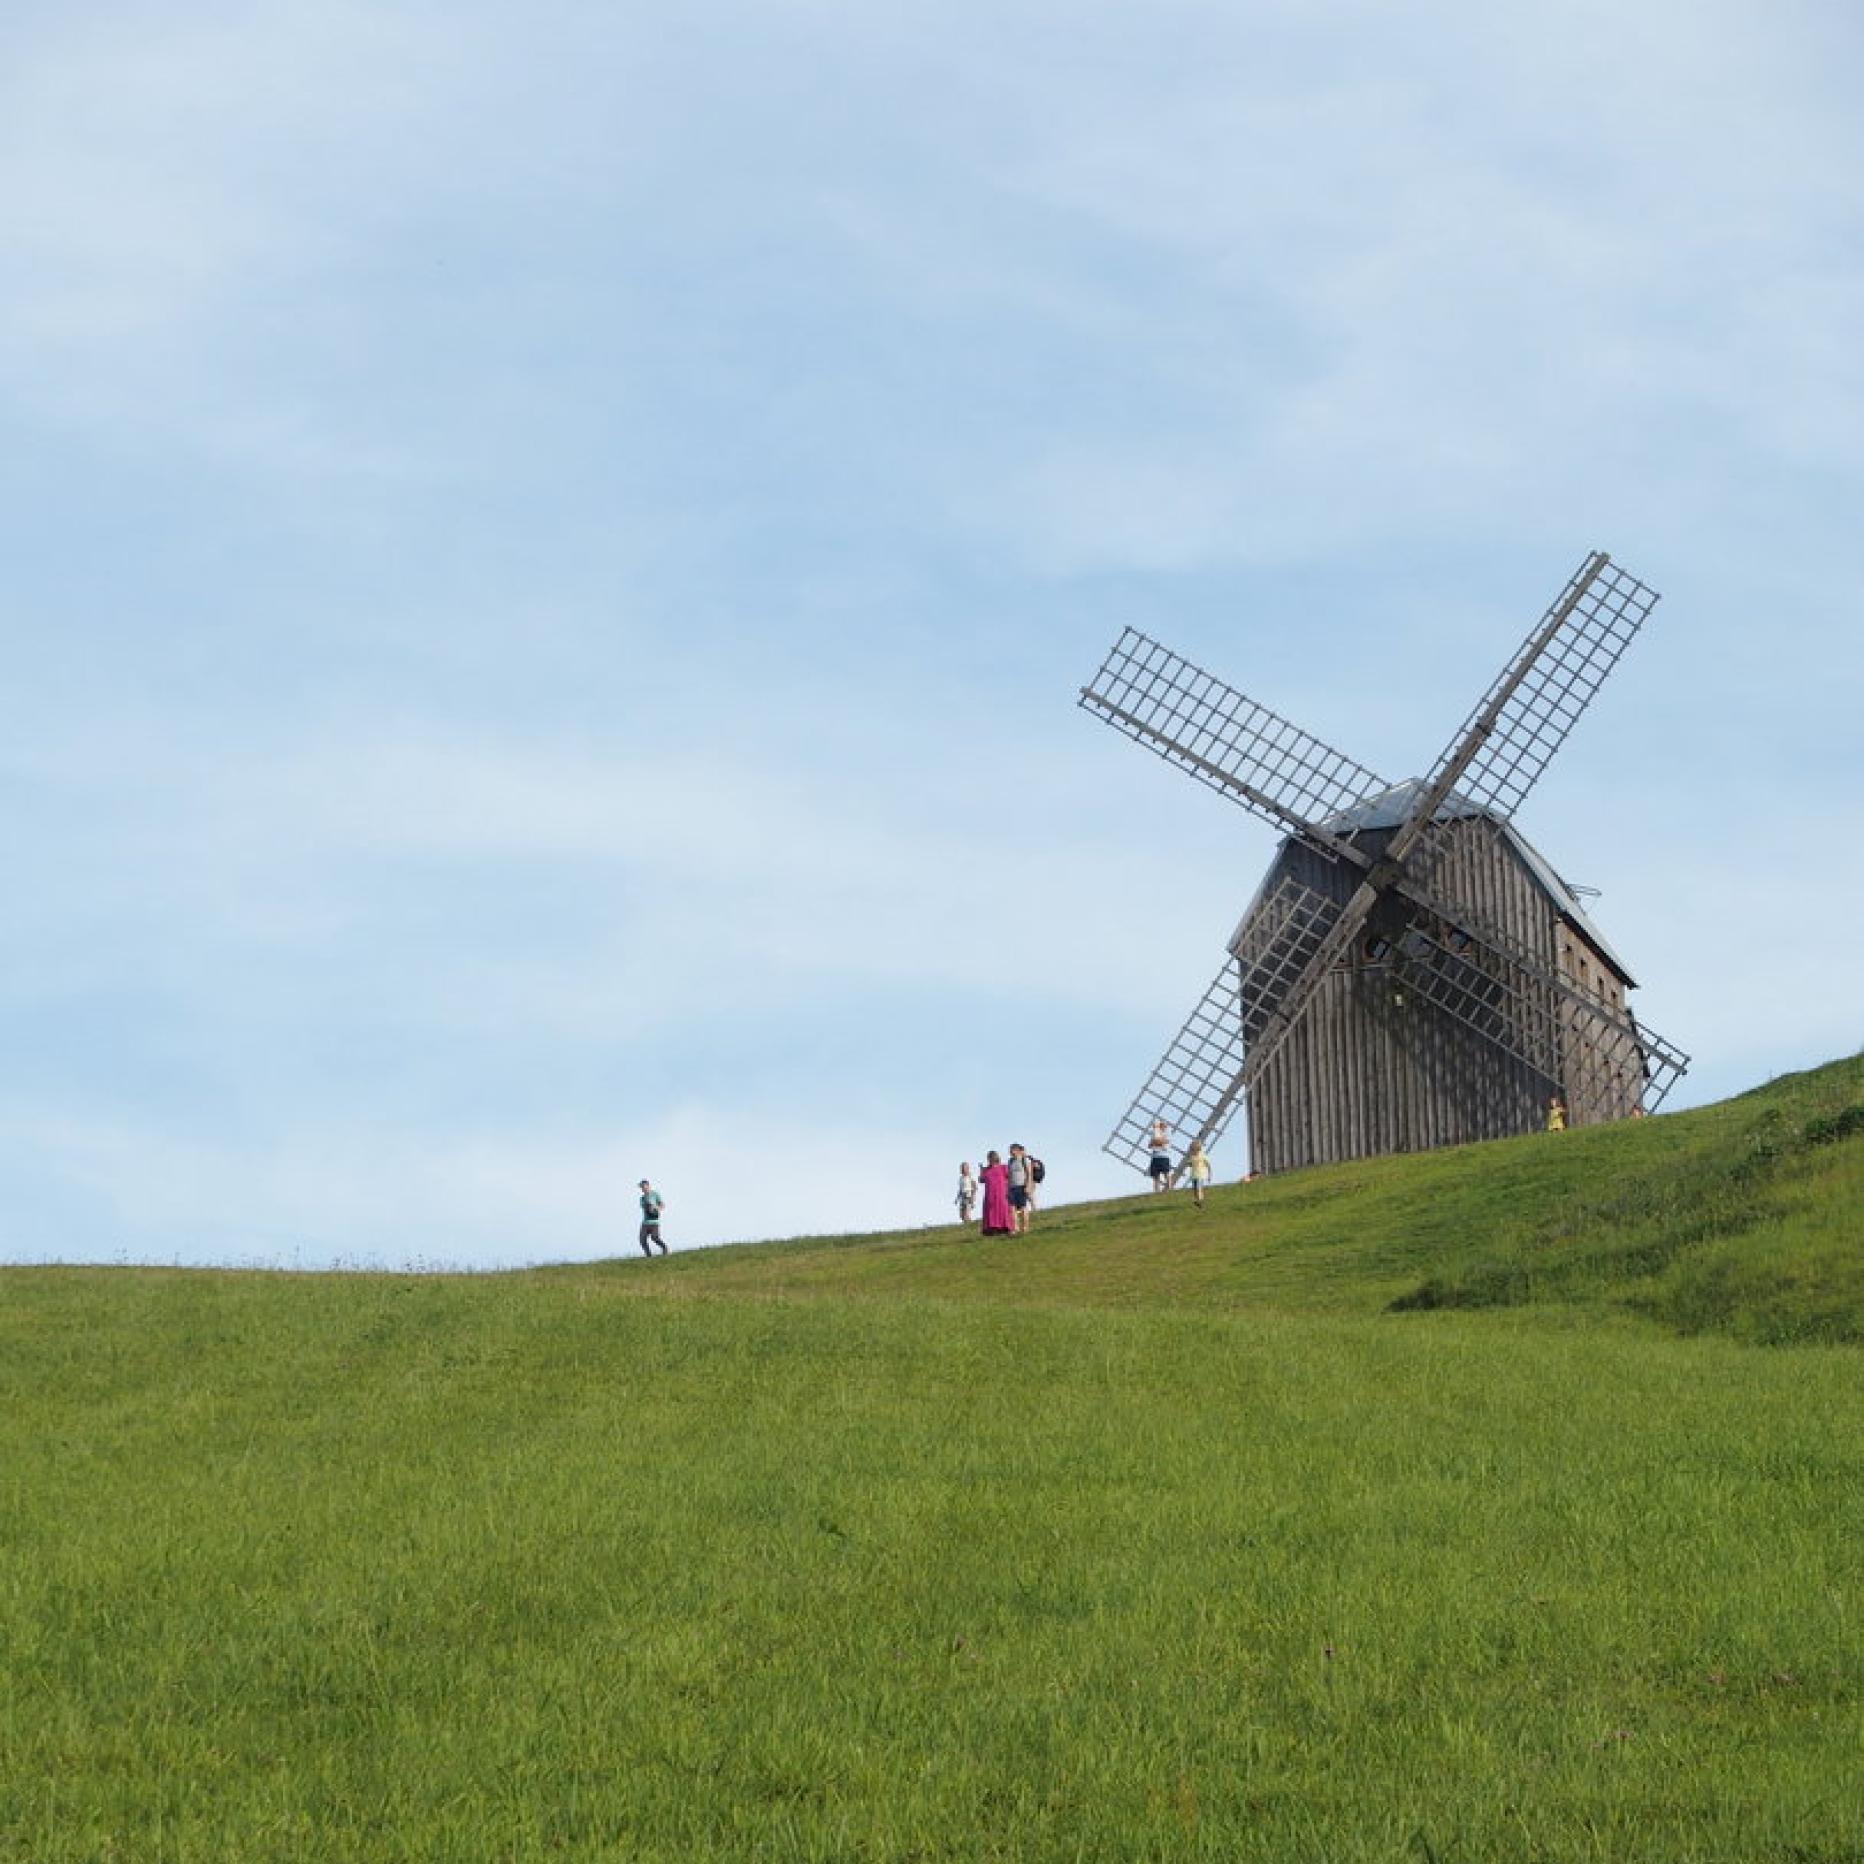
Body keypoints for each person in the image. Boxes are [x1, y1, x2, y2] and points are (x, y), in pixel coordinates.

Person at [979, 1150, 1013, 1236]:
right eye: (989, 1158)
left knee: (1003, 1210)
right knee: (991, 1211)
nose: (990, 1160)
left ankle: (1005, 1228)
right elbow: (981, 1180)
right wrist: (981, 1170)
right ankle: (992, 1229)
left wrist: (1009, 1189)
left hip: (1001, 1193)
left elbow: (1010, 1177)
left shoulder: (1003, 1167)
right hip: (990, 1194)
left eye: (992, 1157)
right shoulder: (987, 1170)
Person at [1007, 1143, 1034, 1234]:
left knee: (1023, 1208)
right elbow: (1009, 1175)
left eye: (1012, 1150)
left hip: (1022, 1186)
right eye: (1010, 1150)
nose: (1010, 1152)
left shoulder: (1024, 1160)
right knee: (1012, 1208)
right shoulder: (1010, 1161)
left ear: (1017, 1150)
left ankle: (1025, 1228)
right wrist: (1008, 1187)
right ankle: (1015, 1228)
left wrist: (1028, 1186)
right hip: (1012, 1187)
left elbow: (1029, 1174)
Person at [637, 1178, 668, 1255]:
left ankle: (664, 1248)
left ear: (648, 1186)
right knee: (642, 1240)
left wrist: (655, 1207)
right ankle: (648, 1255)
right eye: (641, 1187)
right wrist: (648, 1206)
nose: (642, 1189)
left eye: (643, 1186)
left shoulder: (655, 1194)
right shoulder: (642, 1198)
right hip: (645, 1223)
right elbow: (644, 1207)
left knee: (654, 1237)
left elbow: (663, 1206)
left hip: (654, 1222)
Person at [1184, 1139, 1212, 1208]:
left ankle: (1200, 1201)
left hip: (1201, 1174)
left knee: (1198, 1188)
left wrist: (1209, 1175)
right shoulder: (1192, 1157)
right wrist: (1188, 1163)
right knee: (1195, 1189)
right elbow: (1190, 1164)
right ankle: (1198, 1201)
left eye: (1194, 1149)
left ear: (1198, 1149)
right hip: (1193, 1175)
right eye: (1192, 1150)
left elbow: (1208, 1165)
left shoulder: (1202, 1156)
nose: (1193, 1151)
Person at [1147, 1117, 1172, 1191]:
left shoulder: (1168, 1134)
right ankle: (1156, 1191)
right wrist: (1157, 1142)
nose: (1162, 1126)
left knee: (1166, 1174)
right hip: (1155, 1157)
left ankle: (1169, 1189)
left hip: (1164, 1156)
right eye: (1160, 1125)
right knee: (1155, 1176)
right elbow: (1150, 1145)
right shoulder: (1155, 1133)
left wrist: (1156, 1142)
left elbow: (1163, 1142)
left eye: (1163, 1125)